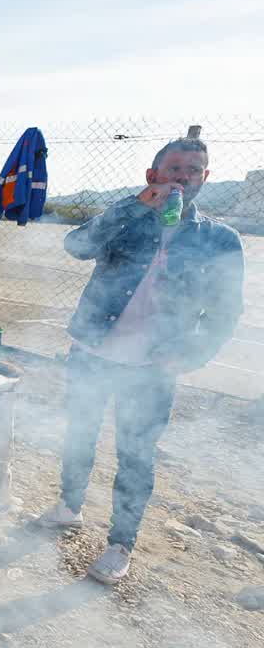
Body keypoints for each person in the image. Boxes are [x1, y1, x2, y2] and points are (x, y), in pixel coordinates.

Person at [38, 138, 244, 585]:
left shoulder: (218, 239)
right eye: (174, 168)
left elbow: (226, 311)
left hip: (152, 367)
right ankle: (69, 506)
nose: (183, 177)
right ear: (153, 176)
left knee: (136, 454)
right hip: (94, 349)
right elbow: (77, 246)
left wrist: (188, 355)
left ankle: (120, 544)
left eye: (194, 169)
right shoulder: (126, 217)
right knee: (79, 432)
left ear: (205, 178)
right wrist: (134, 206)